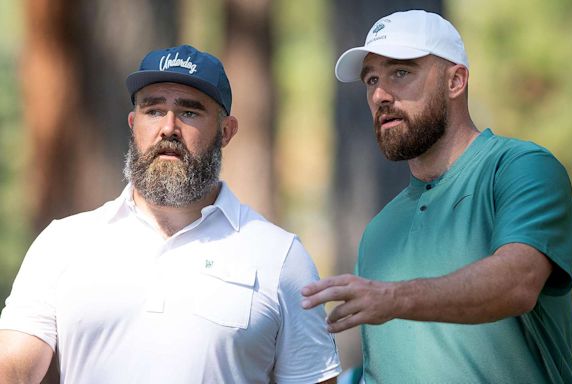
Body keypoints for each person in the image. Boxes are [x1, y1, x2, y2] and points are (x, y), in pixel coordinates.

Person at [0, 44, 341, 384]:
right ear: (134, 124)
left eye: (190, 112)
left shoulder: (280, 257)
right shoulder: (63, 243)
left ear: (226, 132)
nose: (168, 128)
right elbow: (14, 370)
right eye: (153, 110)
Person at [302, 10, 572, 384]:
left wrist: (394, 299)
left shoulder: (520, 168)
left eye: (400, 72)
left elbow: (517, 283)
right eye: (371, 80)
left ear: (455, 81)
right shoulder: (379, 231)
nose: (380, 94)